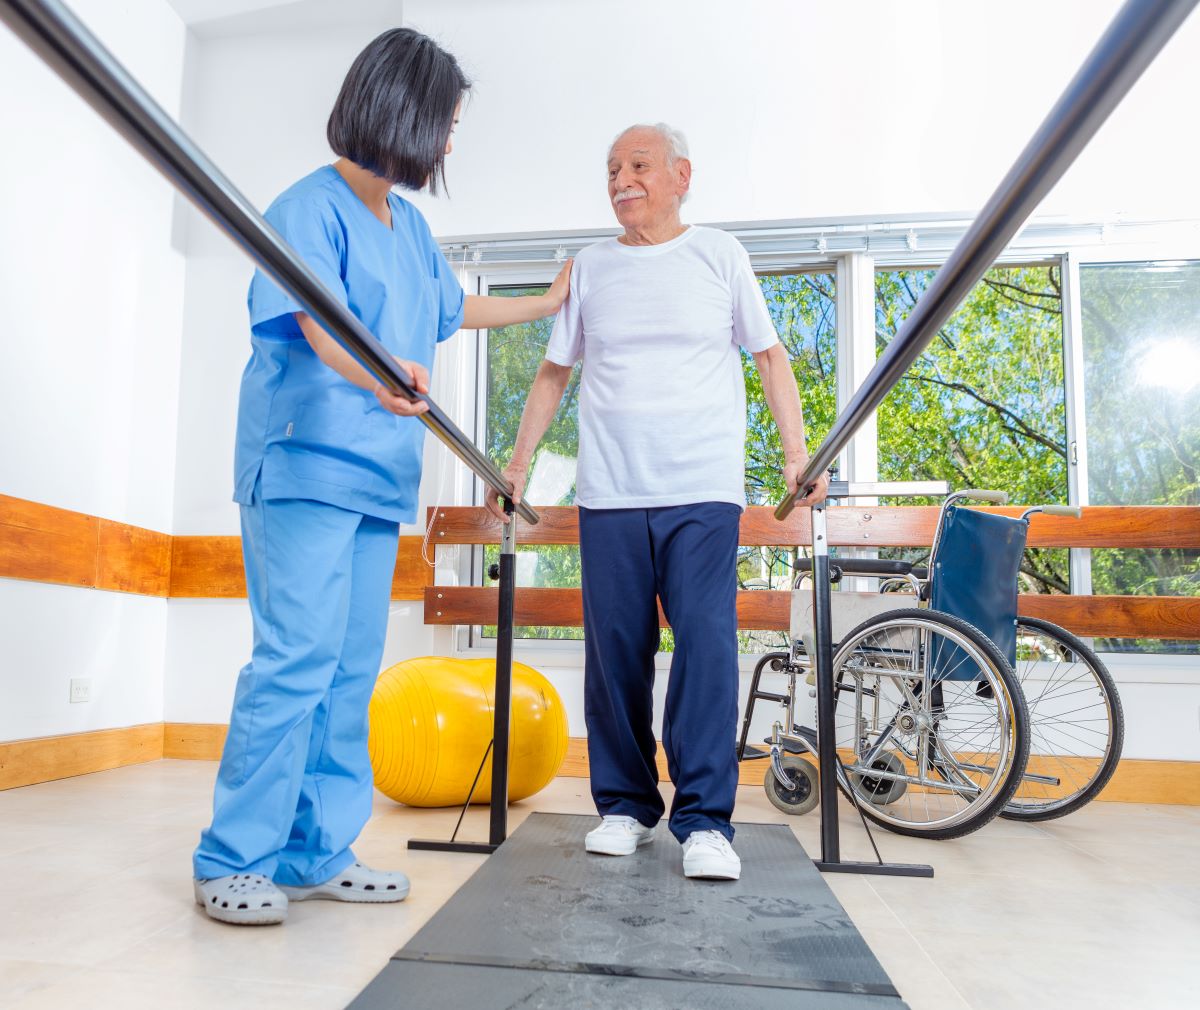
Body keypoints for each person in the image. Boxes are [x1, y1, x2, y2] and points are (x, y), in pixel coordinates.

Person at [193, 28, 571, 926]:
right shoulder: (307, 207)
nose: (448, 144)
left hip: (376, 476)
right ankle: (230, 859)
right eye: (446, 124)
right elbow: (322, 323)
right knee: (295, 661)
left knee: (350, 669)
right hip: (302, 465)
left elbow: (450, 305)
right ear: (401, 108)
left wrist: (546, 303)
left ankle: (315, 851)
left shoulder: (409, 226)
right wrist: (381, 376)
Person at [487, 123, 827, 881]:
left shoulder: (719, 255)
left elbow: (770, 358)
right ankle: (626, 807)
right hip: (610, 489)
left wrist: (799, 457)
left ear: (681, 175)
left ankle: (705, 821)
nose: (620, 180)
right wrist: (517, 464)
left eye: (637, 165)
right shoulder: (592, 268)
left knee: (705, 644)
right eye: (611, 169)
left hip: (701, 488)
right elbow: (553, 373)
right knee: (616, 652)